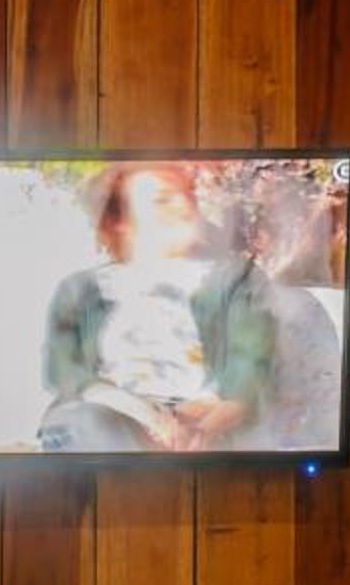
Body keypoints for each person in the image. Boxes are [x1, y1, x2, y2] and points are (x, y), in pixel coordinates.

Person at [36, 164, 281, 452]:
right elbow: (64, 371)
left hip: (203, 426)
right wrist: (149, 417)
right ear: (121, 222)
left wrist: (200, 431)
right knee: (81, 422)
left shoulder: (237, 280)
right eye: (162, 199)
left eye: (187, 194)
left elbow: (250, 372)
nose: (184, 206)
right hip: (111, 418)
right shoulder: (80, 289)